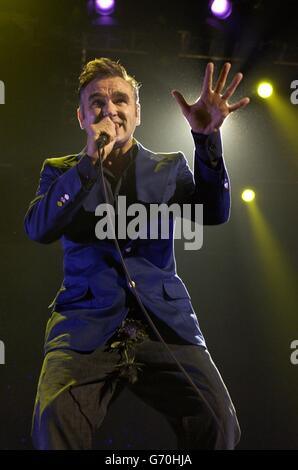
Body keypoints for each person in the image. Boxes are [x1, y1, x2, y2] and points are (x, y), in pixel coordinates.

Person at [24, 58, 250, 450]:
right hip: (85, 324)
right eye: (96, 102)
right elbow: (39, 228)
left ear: (137, 112)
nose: (109, 109)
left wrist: (206, 140)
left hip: (163, 323)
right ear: (81, 116)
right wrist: (88, 166)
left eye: (120, 99)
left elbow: (214, 213)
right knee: (53, 419)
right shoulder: (60, 172)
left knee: (218, 420)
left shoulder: (168, 168)